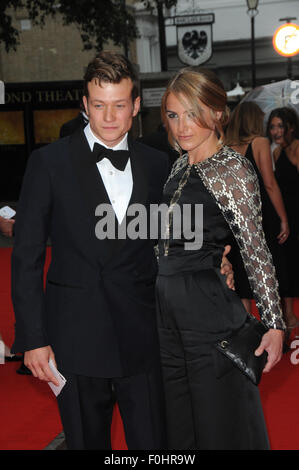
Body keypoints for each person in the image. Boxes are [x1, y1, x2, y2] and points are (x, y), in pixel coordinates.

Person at [10, 51, 235, 450]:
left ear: (135, 107)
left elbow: (177, 235)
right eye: (99, 105)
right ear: (85, 106)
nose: (109, 117)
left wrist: (216, 259)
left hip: (145, 336)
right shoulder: (48, 163)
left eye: (118, 105)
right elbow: (26, 257)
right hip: (74, 340)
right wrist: (32, 338)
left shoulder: (160, 163)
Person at [156, 67, 285, 450]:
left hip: (204, 310)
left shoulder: (232, 169)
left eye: (192, 114)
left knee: (217, 421)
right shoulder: (179, 165)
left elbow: (255, 248)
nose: (182, 126)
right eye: (174, 115)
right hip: (167, 313)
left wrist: (275, 323)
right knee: (181, 424)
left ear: (216, 113)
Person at [225, 102, 290, 317]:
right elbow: (269, 184)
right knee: (269, 269)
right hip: (260, 215)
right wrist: (283, 218)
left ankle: (246, 334)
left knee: (242, 275)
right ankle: (273, 326)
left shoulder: (225, 145)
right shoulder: (260, 142)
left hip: (235, 214)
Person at [266, 107, 299, 329]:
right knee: (286, 265)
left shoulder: (297, 148)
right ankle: (288, 314)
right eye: (272, 126)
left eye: (280, 126)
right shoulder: (276, 152)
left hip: (297, 214)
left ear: (291, 128)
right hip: (284, 216)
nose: (276, 131)